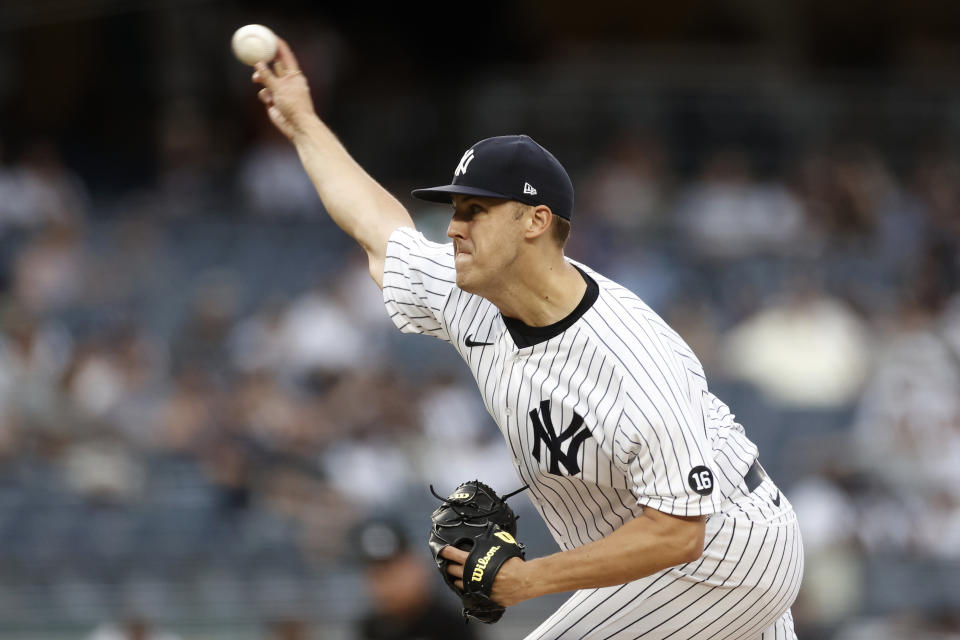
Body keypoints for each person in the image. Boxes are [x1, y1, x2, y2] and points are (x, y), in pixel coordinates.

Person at [251, 39, 803, 639]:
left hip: (723, 550)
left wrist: (526, 580)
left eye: (474, 211)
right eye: (455, 210)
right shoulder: (469, 294)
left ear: (535, 221)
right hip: (667, 557)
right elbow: (378, 230)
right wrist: (304, 123)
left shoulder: (631, 356)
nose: (454, 228)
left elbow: (678, 531)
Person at [351, 516, 480, 640]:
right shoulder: (371, 629)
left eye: (393, 572)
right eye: (376, 575)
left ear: (418, 566)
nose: (386, 586)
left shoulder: (452, 624)